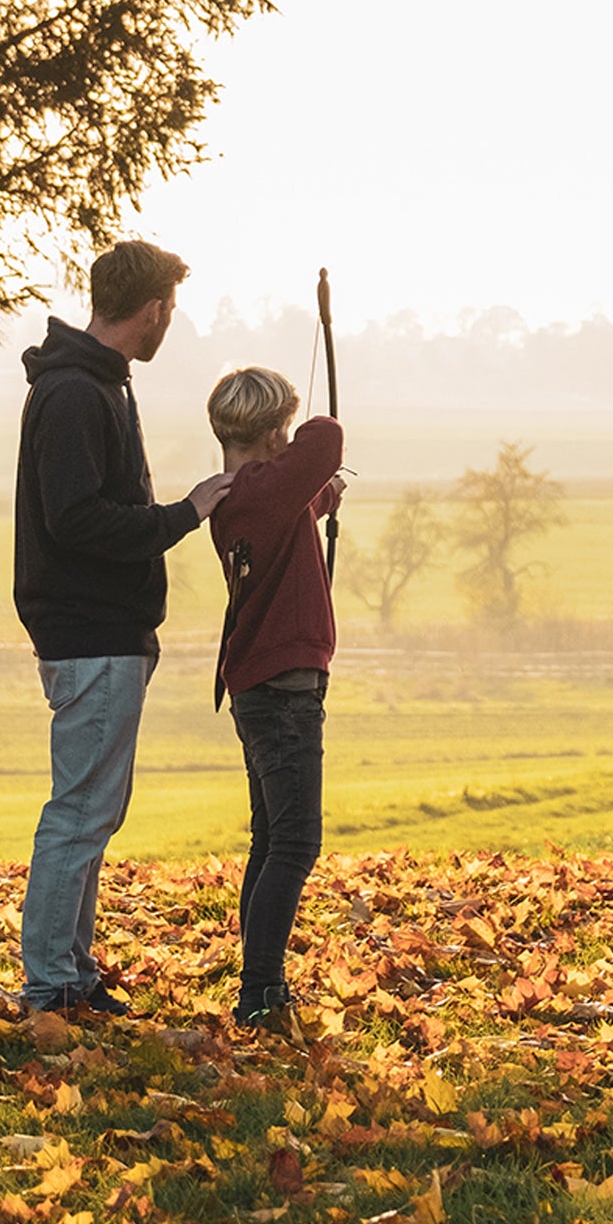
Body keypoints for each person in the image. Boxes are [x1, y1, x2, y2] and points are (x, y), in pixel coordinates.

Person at [13, 240, 232, 1016]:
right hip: (89, 632)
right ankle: (51, 983)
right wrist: (184, 514)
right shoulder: (77, 394)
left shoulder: (98, 384)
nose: (169, 323)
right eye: (169, 311)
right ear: (153, 311)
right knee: (78, 811)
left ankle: (70, 971)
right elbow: (76, 520)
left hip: (107, 633)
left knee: (93, 810)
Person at [206, 366, 346, 1040]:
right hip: (284, 690)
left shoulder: (244, 496)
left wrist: (321, 499)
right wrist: (309, 444)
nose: (292, 437)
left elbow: (293, 504)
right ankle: (260, 992)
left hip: (263, 687)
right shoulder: (261, 486)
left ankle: (261, 983)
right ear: (268, 434)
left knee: (271, 840)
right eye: (282, 429)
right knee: (295, 843)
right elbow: (326, 440)